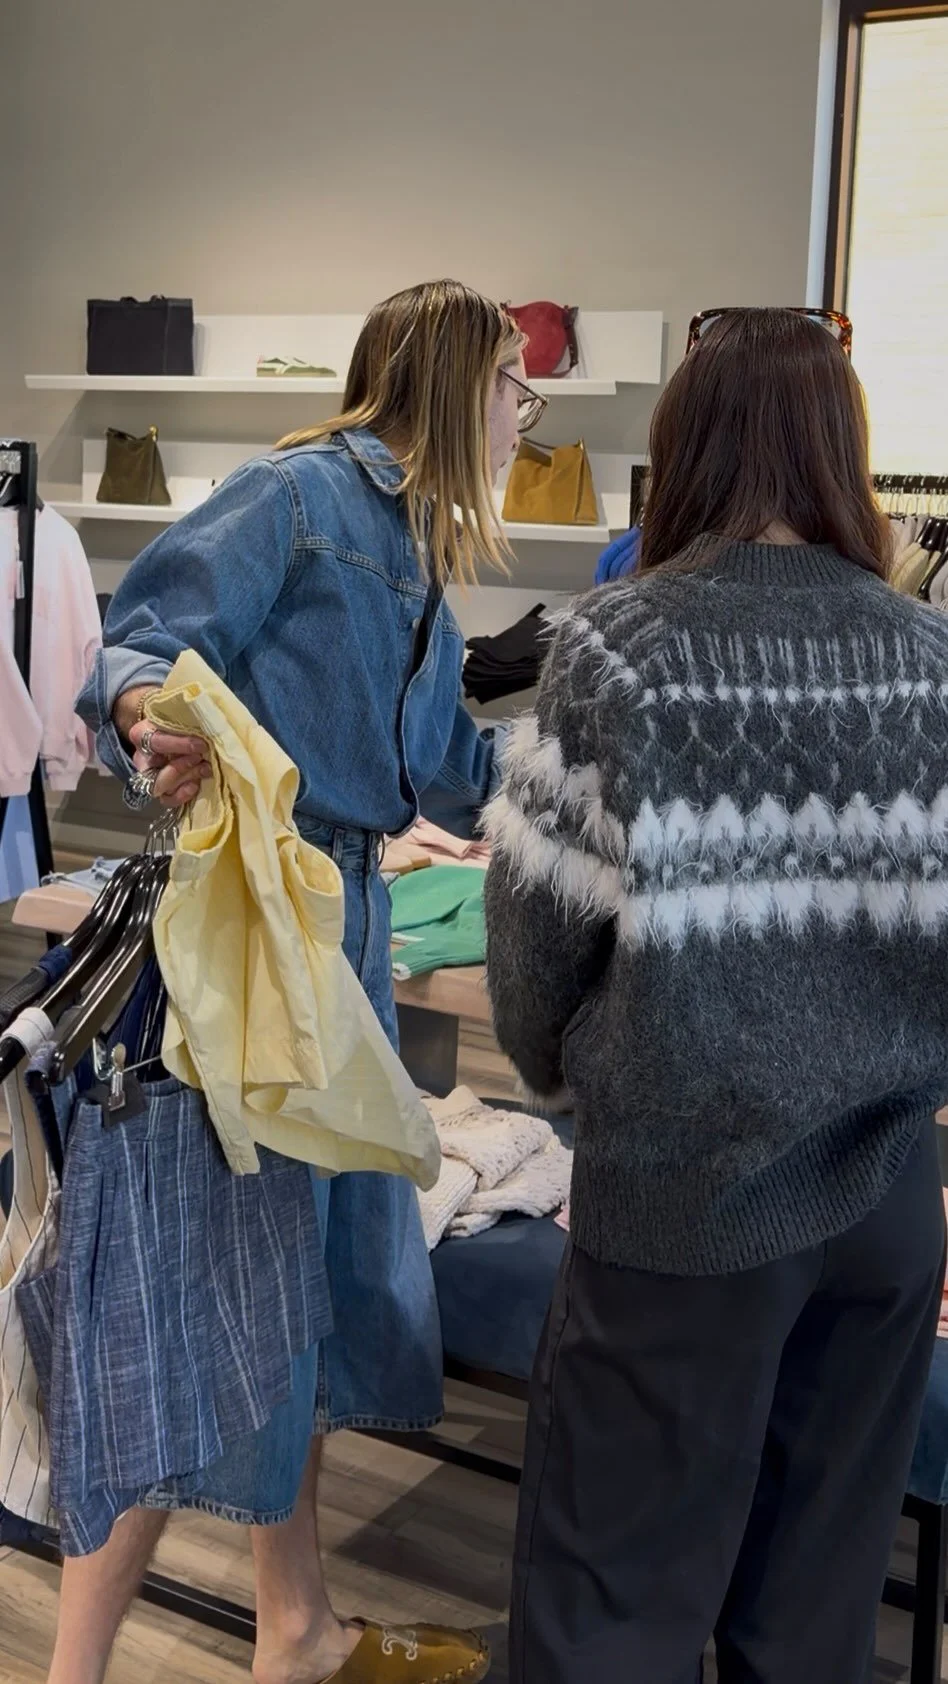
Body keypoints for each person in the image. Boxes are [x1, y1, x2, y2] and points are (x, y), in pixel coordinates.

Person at [69, 279, 540, 1684]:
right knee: (197, 1311)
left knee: (303, 1303)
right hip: (250, 937)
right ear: (456, 380)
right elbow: (139, 644)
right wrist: (155, 713)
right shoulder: (295, 496)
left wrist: (583, 790)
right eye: (514, 383)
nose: (526, 412)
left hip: (335, 938)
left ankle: (297, 1629)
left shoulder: (413, 546)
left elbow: (444, 765)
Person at [483, 306, 948, 1684]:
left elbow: (534, 951)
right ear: (843, 449)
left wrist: (573, 1085)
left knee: (610, 1610)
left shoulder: (621, 647)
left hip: (682, 1199)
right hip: (884, 1200)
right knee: (812, 1614)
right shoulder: (931, 659)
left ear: (683, 441)